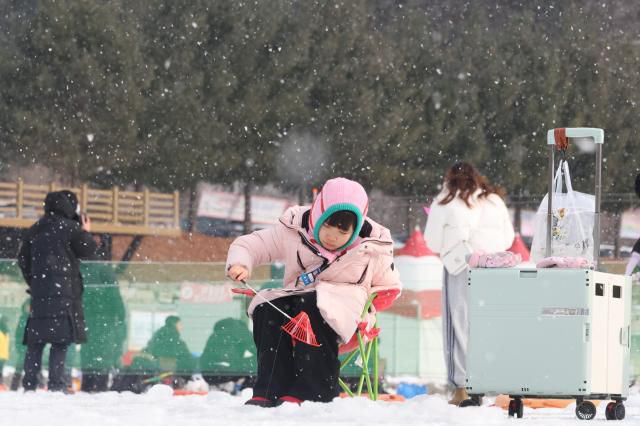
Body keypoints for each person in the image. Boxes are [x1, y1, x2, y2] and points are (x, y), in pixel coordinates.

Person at [226, 177, 402, 407]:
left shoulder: (372, 248)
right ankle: (271, 387)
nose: (333, 235)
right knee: (268, 307)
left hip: (345, 316)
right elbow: (251, 245)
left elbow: (390, 287)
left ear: (355, 228)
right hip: (297, 307)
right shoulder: (294, 230)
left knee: (314, 304)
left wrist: (368, 307)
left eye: (342, 229)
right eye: (328, 224)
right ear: (317, 215)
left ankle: (315, 389)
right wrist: (240, 263)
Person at [425, 162, 514, 406]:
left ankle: (462, 386)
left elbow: (431, 241)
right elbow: (508, 238)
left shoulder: (446, 199)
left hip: (461, 266)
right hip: (496, 267)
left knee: (458, 325)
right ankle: (493, 381)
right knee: (490, 325)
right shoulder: (494, 200)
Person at [17, 190, 97, 392]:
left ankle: (29, 385)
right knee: (60, 341)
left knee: (36, 343)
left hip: (40, 296)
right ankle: (56, 385)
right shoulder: (71, 229)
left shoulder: (35, 229)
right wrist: (86, 231)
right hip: (65, 296)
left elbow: (22, 260)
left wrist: (35, 283)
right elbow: (88, 250)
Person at [199, 317, 256, 390]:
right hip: (230, 371)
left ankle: (221, 385)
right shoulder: (243, 332)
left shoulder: (214, 335)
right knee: (256, 363)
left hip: (209, 375)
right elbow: (256, 352)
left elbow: (206, 357)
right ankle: (245, 388)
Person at [0, 315, 9, 390]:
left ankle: (1, 384)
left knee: (1, 370)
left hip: (3, 355)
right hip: (2, 354)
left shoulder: (6, 331)